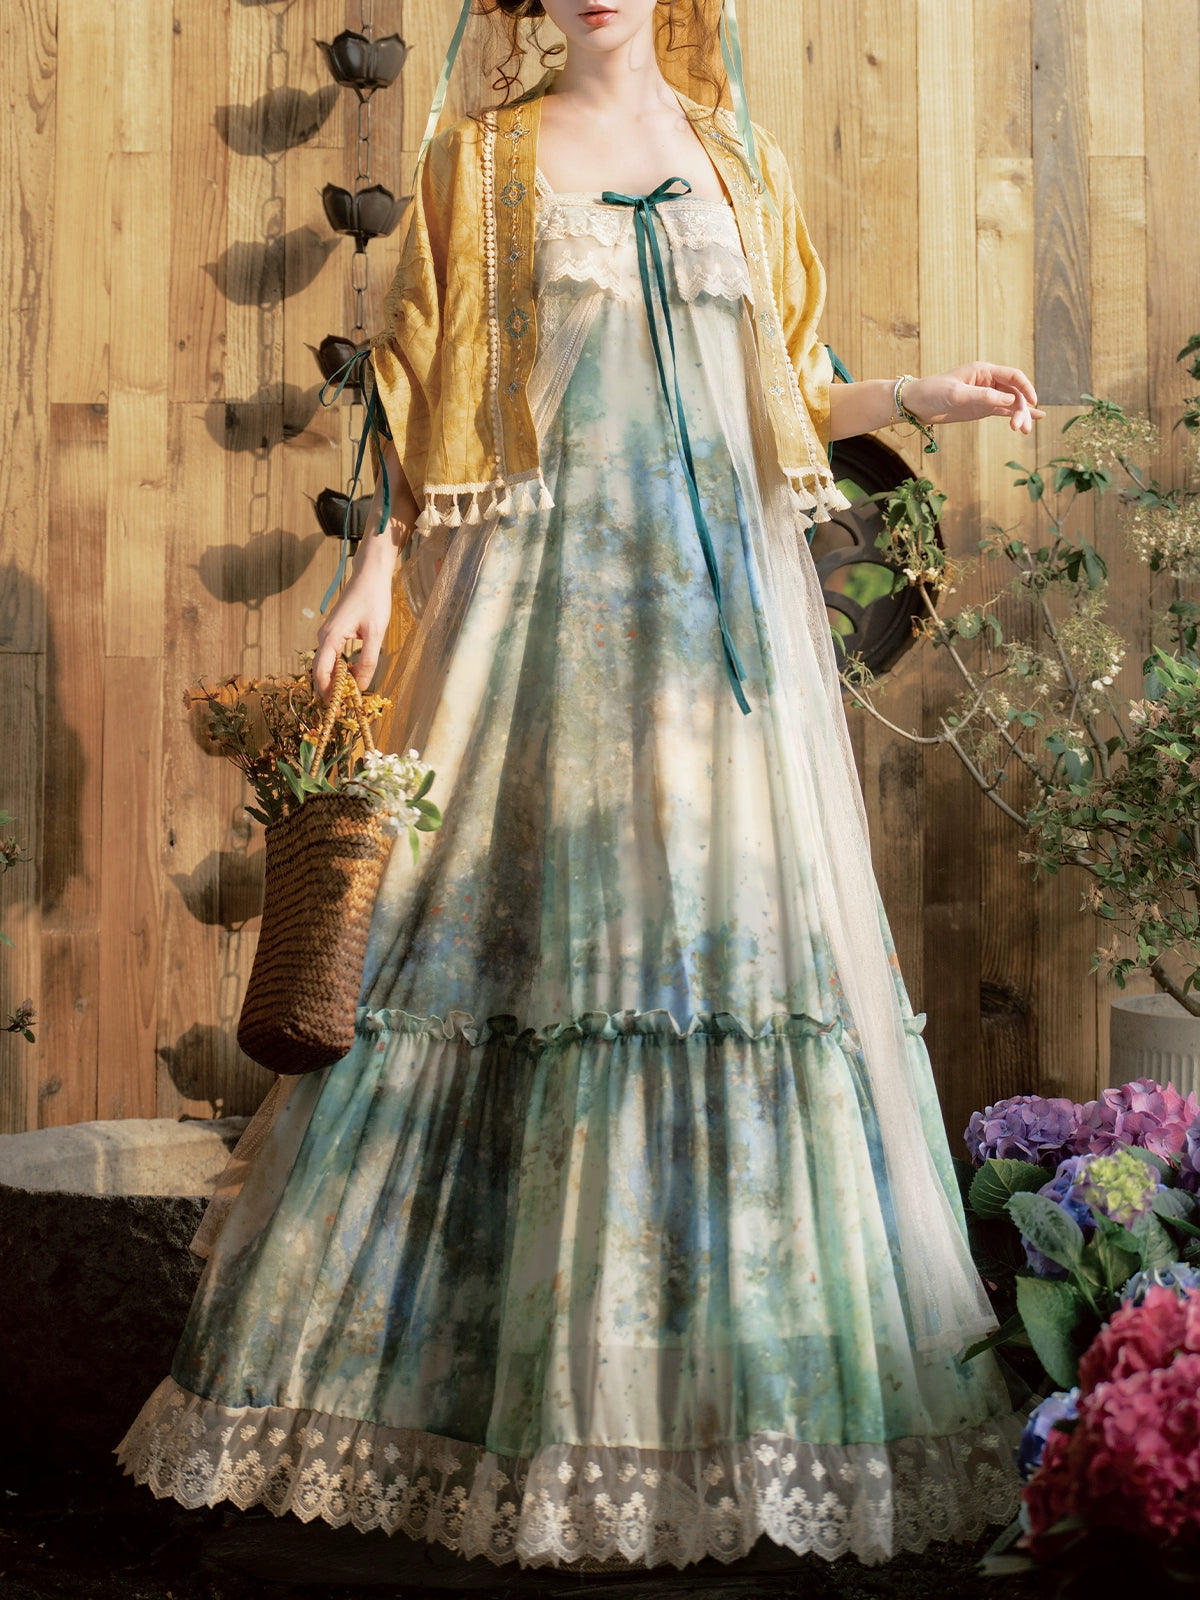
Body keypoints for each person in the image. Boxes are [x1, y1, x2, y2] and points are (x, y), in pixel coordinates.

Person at [118, 0, 1045, 1572]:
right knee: (505, 959)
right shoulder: (477, 160)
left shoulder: (739, 157)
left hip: (717, 649)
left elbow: (786, 395)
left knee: (723, 967)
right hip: (540, 622)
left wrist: (921, 396)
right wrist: (371, 571)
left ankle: (724, 1415)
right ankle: (461, 1400)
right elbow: (412, 392)